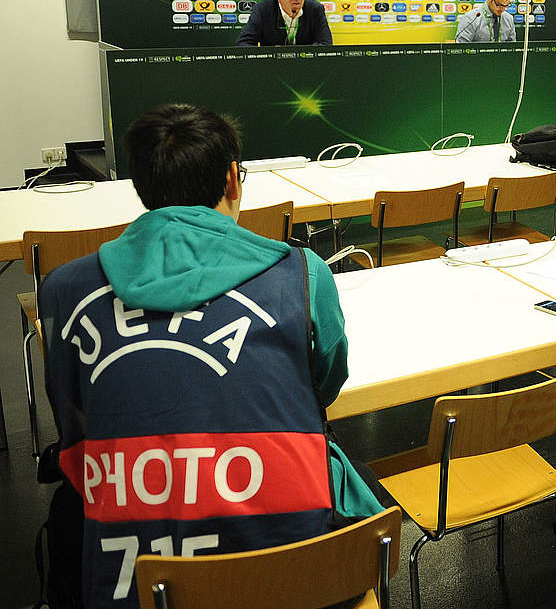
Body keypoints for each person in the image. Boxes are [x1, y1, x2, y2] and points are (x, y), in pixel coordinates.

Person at [40, 105, 381, 608]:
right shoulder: (304, 274)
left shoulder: (64, 289)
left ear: (140, 185)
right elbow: (323, 386)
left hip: (134, 584)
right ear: (233, 180)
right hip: (299, 575)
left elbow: (74, 420)